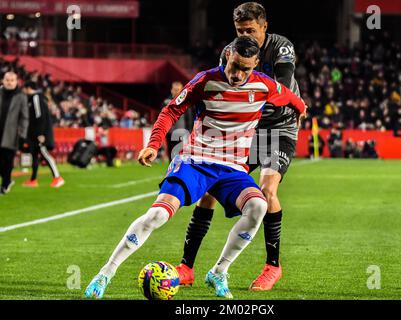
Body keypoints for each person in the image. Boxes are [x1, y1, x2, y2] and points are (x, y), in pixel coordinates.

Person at [84, 36, 307, 299]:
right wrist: (154, 144)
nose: (237, 74)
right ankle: (105, 273)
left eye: (245, 69)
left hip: (232, 169)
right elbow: (170, 111)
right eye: (234, 65)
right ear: (227, 57)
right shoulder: (206, 80)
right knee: (157, 215)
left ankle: (218, 271)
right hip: (196, 161)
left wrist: (301, 109)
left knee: (258, 206)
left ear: (256, 64)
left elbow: (292, 98)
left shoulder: (264, 85)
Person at [175, 2, 304, 291]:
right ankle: (187, 267)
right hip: (246, 130)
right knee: (209, 190)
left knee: (267, 191)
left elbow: (279, 89)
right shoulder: (230, 52)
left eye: (251, 30)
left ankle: (272, 266)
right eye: (239, 30)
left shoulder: (281, 47)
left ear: (264, 27)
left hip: (278, 128)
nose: (245, 34)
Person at [22, 81, 65, 188]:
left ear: (28, 88)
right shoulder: (33, 99)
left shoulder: (36, 98)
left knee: (44, 154)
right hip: (34, 133)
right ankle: (33, 180)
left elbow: (39, 116)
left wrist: (41, 134)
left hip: (39, 134)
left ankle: (57, 177)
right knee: (35, 156)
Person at [0, 71, 28, 195]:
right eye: (7, 80)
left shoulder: (21, 96)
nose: (9, 82)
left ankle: (5, 184)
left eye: (12, 80)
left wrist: (22, 134)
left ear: (17, 82)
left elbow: (24, 117)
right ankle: (8, 180)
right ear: (3, 81)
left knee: (7, 160)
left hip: (11, 134)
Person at [164, 81, 195, 161]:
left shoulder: (186, 103)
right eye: (175, 89)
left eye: (178, 89)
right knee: (171, 153)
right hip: (170, 132)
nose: (176, 91)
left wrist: (189, 131)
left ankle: (179, 171)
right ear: (171, 90)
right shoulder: (166, 102)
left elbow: (190, 119)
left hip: (182, 132)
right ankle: (172, 171)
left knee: (181, 154)